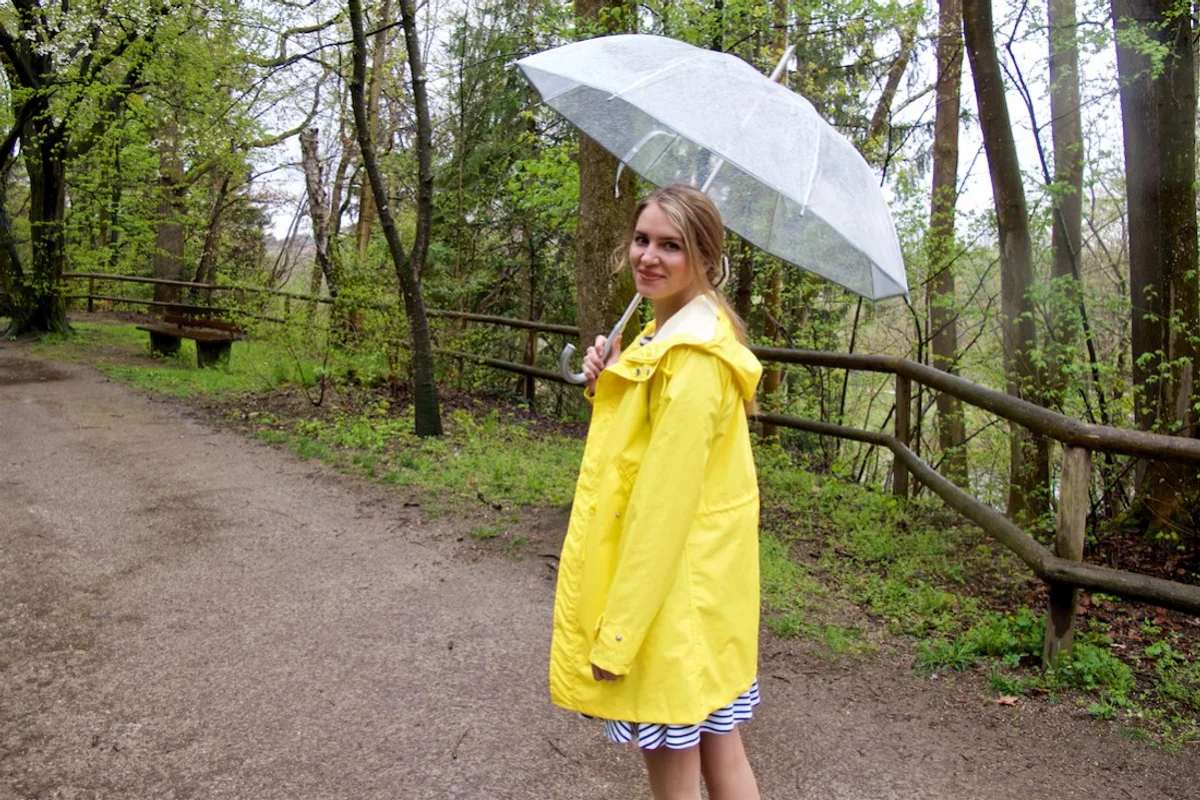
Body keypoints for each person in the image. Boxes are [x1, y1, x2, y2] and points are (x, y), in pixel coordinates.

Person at [549, 184, 763, 799]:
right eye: (642, 240)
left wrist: (617, 637)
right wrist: (611, 378)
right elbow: (639, 449)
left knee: (677, 781)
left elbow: (661, 509)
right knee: (722, 754)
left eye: (671, 245)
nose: (649, 256)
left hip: (670, 604)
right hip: (696, 595)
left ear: (706, 259)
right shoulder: (663, 338)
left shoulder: (693, 360)